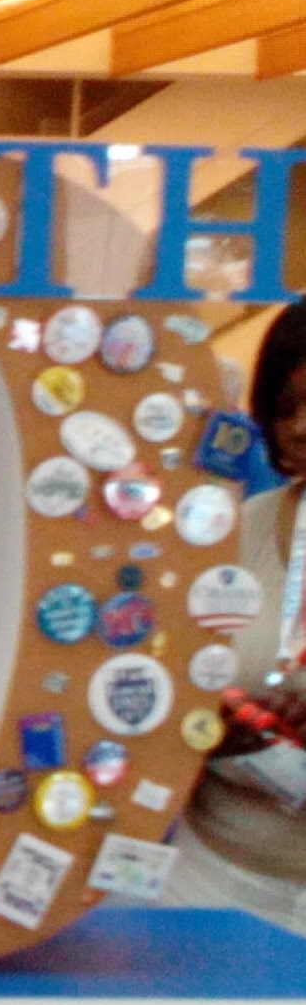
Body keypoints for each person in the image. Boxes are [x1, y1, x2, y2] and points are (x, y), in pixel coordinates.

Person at [161, 300, 306, 933]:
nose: (300, 425)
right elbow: (163, 687)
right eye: (285, 406)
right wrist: (207, 728)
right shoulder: (229, 535)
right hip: (209, 882)